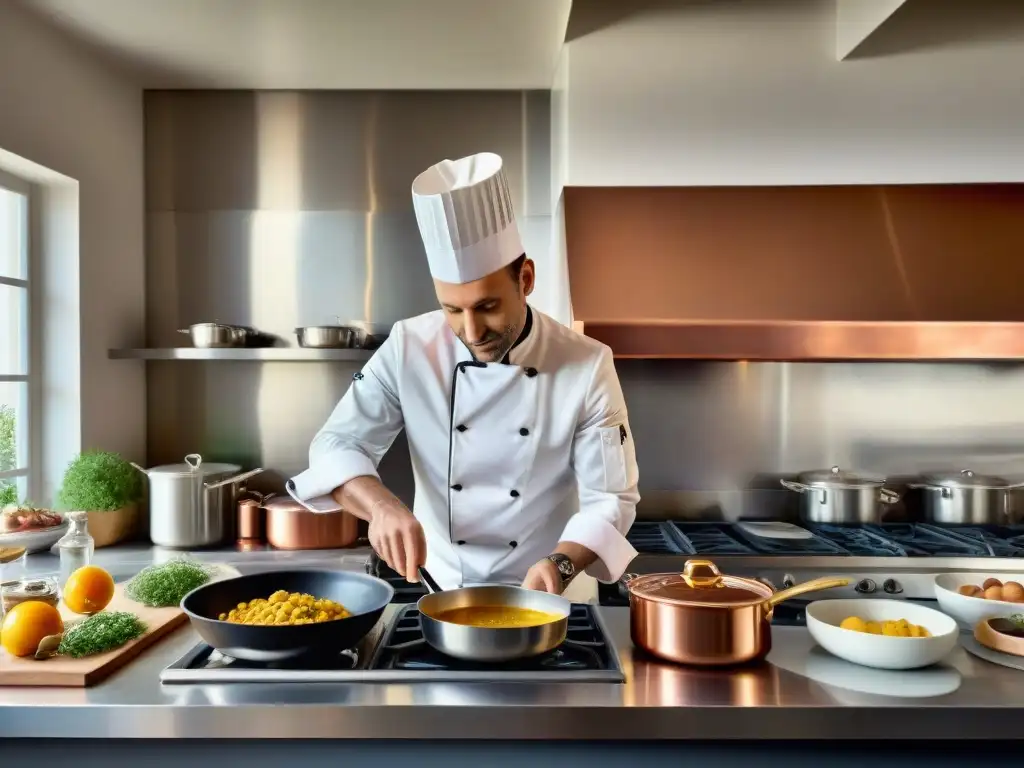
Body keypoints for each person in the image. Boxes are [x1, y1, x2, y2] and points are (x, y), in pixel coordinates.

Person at [287, 151, 639, 594]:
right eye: (452, 309)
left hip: (551, 596)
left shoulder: (586, 364)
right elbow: (337, 443)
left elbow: (611, 498)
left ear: (526, 279)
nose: (471, 331)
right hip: (442, 590)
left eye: (488, 307)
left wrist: (562, 564)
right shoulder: (408, 346)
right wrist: (380, 507)